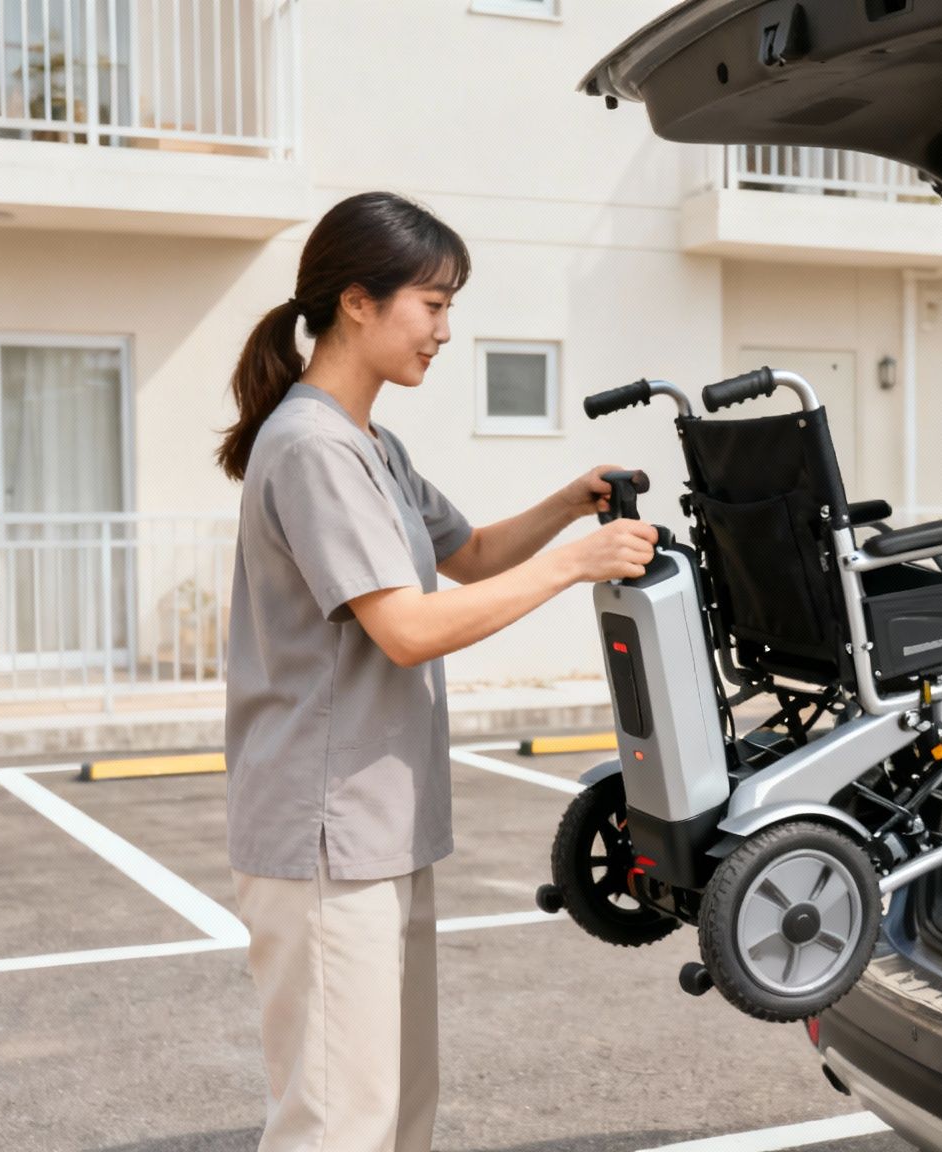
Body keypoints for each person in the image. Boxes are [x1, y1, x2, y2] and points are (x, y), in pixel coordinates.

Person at [215, 191, 655, 1152]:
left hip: (376, 830)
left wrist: (567, 507)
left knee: (398, 1109)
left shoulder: (372, 442)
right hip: (324, 834)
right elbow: (407, 630)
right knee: (337, 1122)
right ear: (358, 303)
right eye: (433, 304)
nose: (446, 331)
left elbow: (475, 555)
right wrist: (578, 563)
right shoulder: (312, 447)